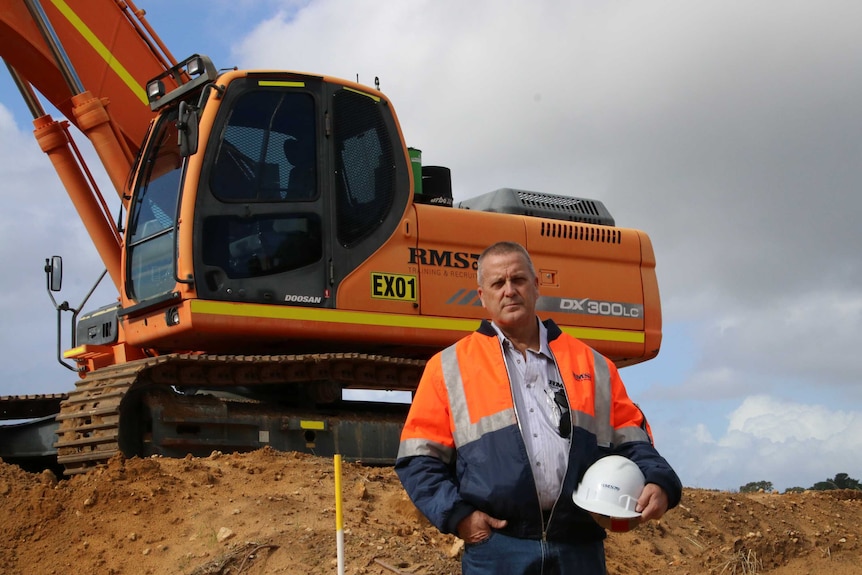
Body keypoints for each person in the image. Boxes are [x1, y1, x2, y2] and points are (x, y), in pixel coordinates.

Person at [395, 241, 682, 574]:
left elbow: (633, 440)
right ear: (481, 296)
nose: (509, 291)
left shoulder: (594, 365)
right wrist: (460, 518)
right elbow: (418, 458)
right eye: (497, 284)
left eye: (518, 280)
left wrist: (660, 481)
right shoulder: (448, 368)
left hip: (579, 547)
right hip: (498, 549)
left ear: (536, 285)